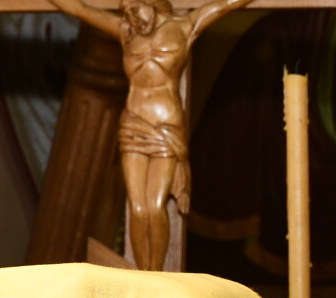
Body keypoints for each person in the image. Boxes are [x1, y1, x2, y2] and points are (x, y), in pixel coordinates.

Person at [48, 0, 261, 271]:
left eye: (136, 8)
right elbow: (79, 9)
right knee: (138, 208)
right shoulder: (125, 31)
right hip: (134, 123)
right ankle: (144, 275)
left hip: (166, 127)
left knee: (155, 205)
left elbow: (223, 6)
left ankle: (156, 272)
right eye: (127, 12)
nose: (133, 17)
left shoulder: (184, 27)